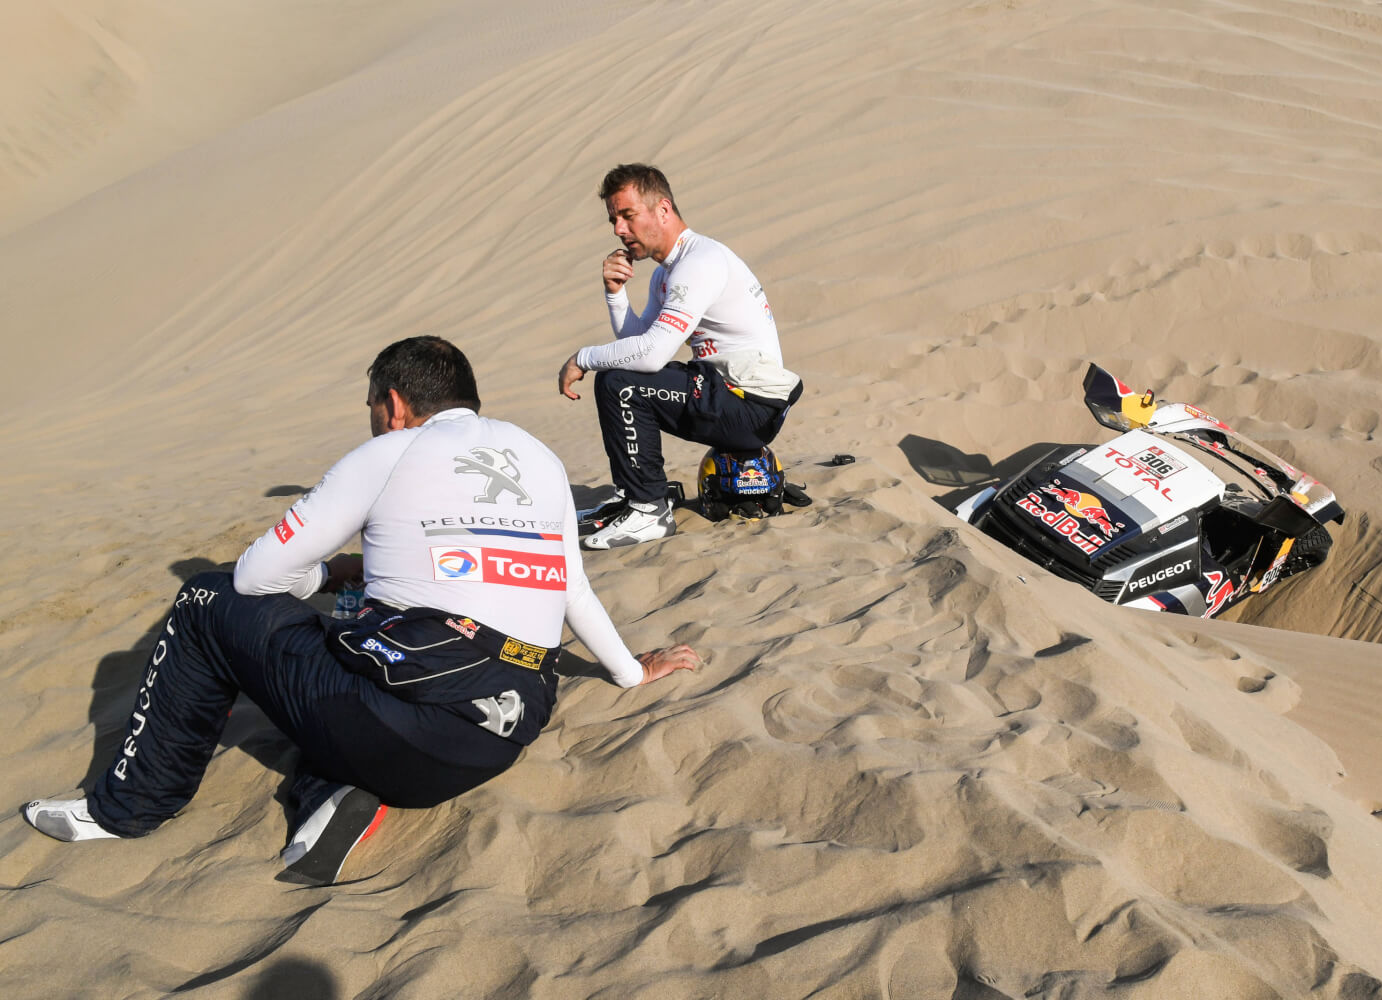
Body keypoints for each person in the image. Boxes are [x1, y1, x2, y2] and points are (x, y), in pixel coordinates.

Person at [24, 336, 700, 884]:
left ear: (395, 403)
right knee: (357, 621)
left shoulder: (391, 449)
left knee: (208, 597)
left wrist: (322, 570)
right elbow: (572, 589)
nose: (374, 420)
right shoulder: (540, 457)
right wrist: (631, 673)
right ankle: (327, 793)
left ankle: (125, 811)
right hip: (506, 728)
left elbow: (259, 575)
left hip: (404, 727)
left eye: (373, 407)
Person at [557, 163, 802, 548]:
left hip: (752, 403)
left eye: (627, 215)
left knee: (618, 382)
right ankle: (633, 498)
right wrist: (615, 293)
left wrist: (582, 357)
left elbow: (650, 356)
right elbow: (637, 345)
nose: (619, 229)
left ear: (663, 210)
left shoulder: (699, 262)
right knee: (620, 375)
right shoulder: (667, 272)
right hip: (729, 393)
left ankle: (648, 510)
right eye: (613, 220)